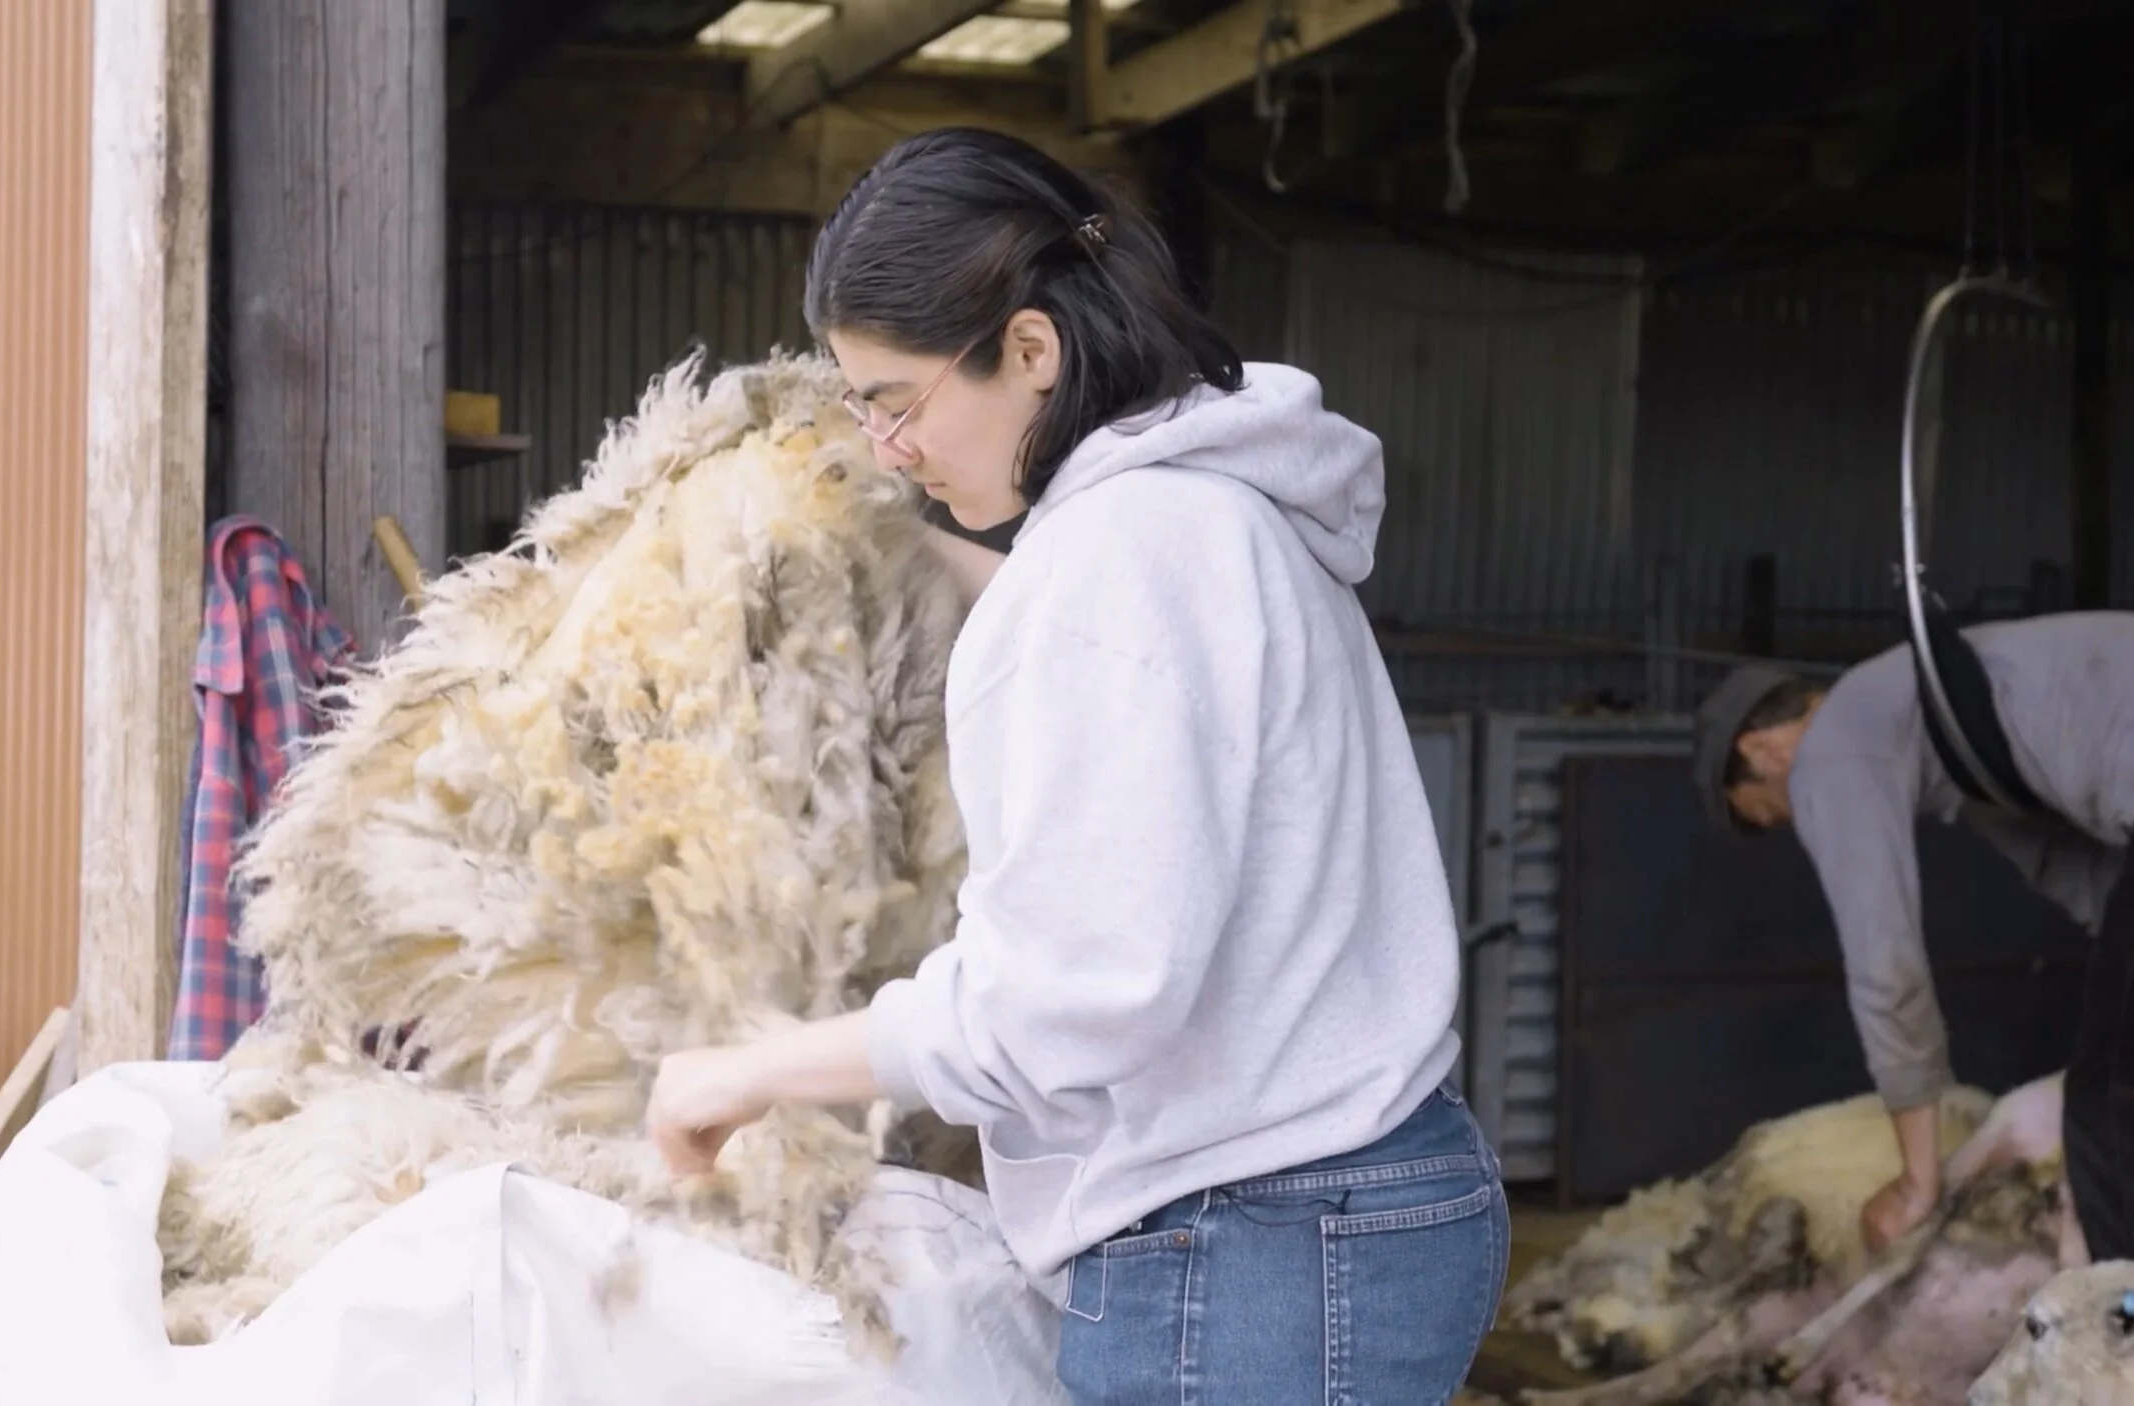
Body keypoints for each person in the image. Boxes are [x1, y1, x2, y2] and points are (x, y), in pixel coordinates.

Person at [640, 127, 1505, 1402]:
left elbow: (1079, 992)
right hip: (1335, 1203)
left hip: (1255, 1240)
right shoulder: (1204, 511)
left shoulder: (1124, 556)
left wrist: (753, 1066)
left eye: (894, 400)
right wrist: (897, 551)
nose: (887, 446)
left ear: (1030, 350)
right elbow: (1121, 660)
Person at [1694, 609, 2134, 1264]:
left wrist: (1919, 1183)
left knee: (2119, 1107)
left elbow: (1887, 966)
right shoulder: (1953, 721)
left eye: (1778, 811)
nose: (1803, 820)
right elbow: (2102, 890)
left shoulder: (1833, 742)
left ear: (1759, 748)